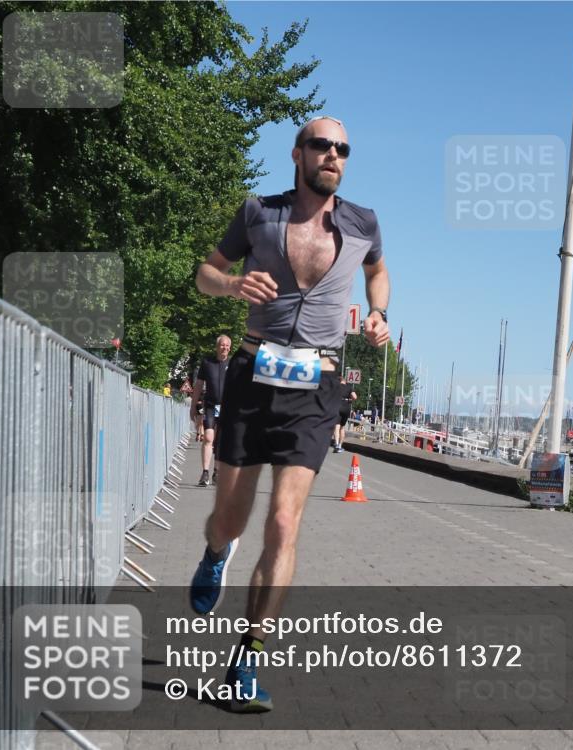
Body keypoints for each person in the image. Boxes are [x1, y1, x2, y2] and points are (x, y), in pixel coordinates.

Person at [188, 115, 391, 712]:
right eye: (322, 145)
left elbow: (377, 269)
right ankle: (215, 554)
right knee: (231, 517)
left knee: (283, 523)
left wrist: (379, 313)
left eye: (343, 149)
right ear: (298, 153)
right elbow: (205, 273)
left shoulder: (362, 222)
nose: (333, 155)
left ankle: (247, 659)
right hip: (253, 377)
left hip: (317, 385)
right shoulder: (258, 213)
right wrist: (230, 287)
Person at [190, 335, 232, 486]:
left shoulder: (233, 364)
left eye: (227, 345)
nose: (225, 348)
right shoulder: (207, 363)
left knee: (221, 442)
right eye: (222, 345)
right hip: (210, 406)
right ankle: (205, 473)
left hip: (227, 407)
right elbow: (199, 386)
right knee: (208, 438)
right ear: (217, 346)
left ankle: (217, 472)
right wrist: (193, 406)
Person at [332, 377, 357, 452]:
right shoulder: (349, 387)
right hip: (346, 407)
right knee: (342, 427)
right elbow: (355, 397)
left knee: (337, 426)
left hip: (338, 406)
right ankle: (340, 445)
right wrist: (349, 399)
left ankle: (336, 444)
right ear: (345, 382)